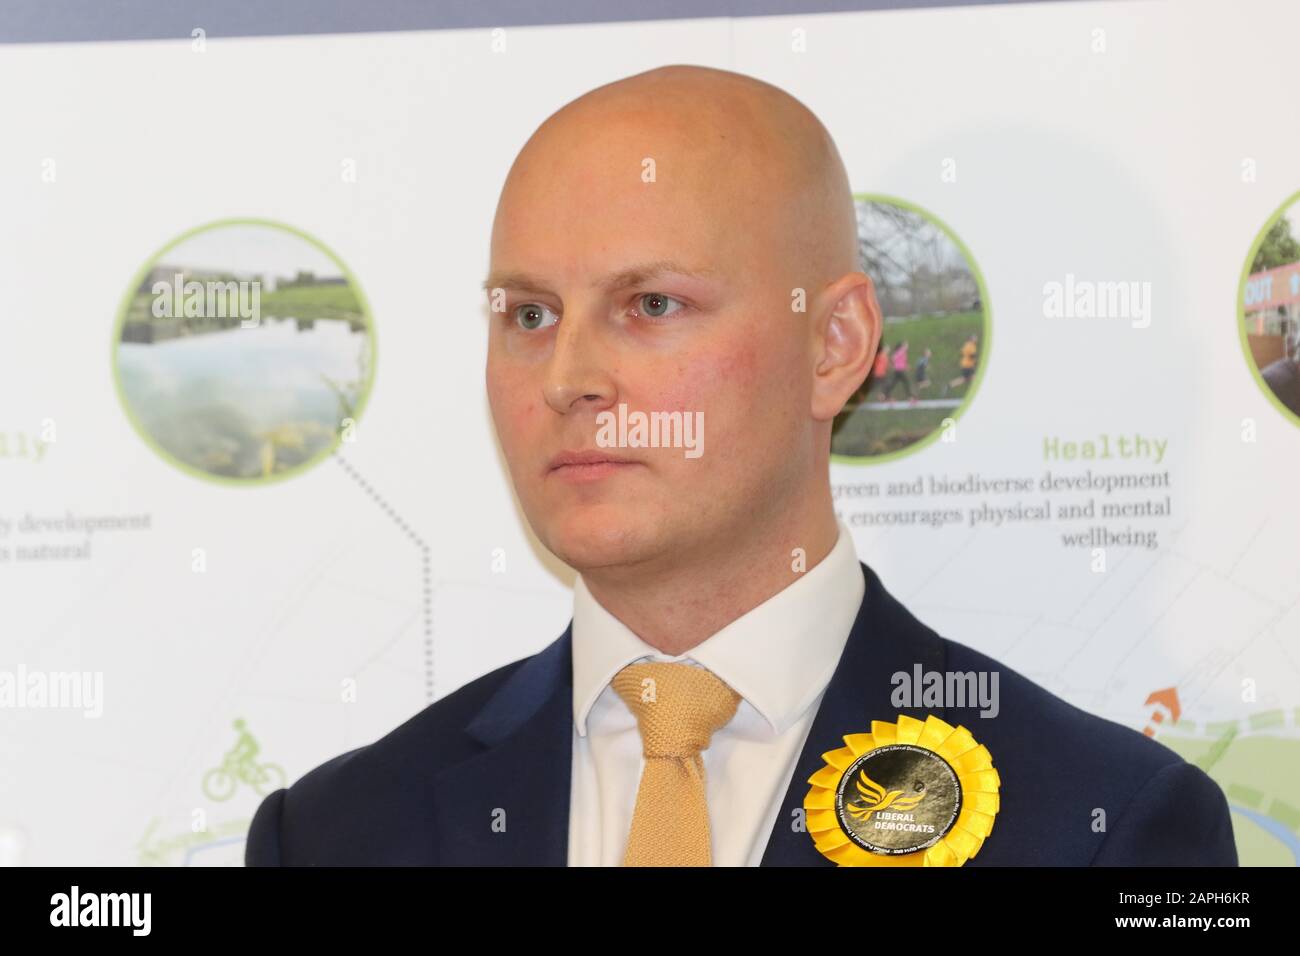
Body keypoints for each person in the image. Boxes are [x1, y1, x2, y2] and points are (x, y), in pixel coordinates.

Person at [244, 65, 1236, 867]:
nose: (568, 377)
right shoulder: (335, 834)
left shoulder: (1106, 826)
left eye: (652, 305)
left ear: (835, 344)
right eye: (529, 315)